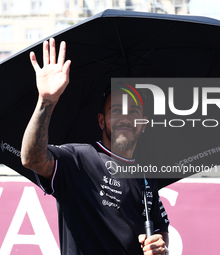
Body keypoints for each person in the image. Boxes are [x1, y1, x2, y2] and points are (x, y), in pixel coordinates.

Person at [21, 38, 169, 255]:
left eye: (133, 112)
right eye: (117, 110)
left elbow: (160, 230)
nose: (125, 118)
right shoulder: (78, 159)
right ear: (101, 121)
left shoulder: (146, 175)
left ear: (143, 123)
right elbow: (31, 158)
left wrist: (159, 248)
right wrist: (46, 101)